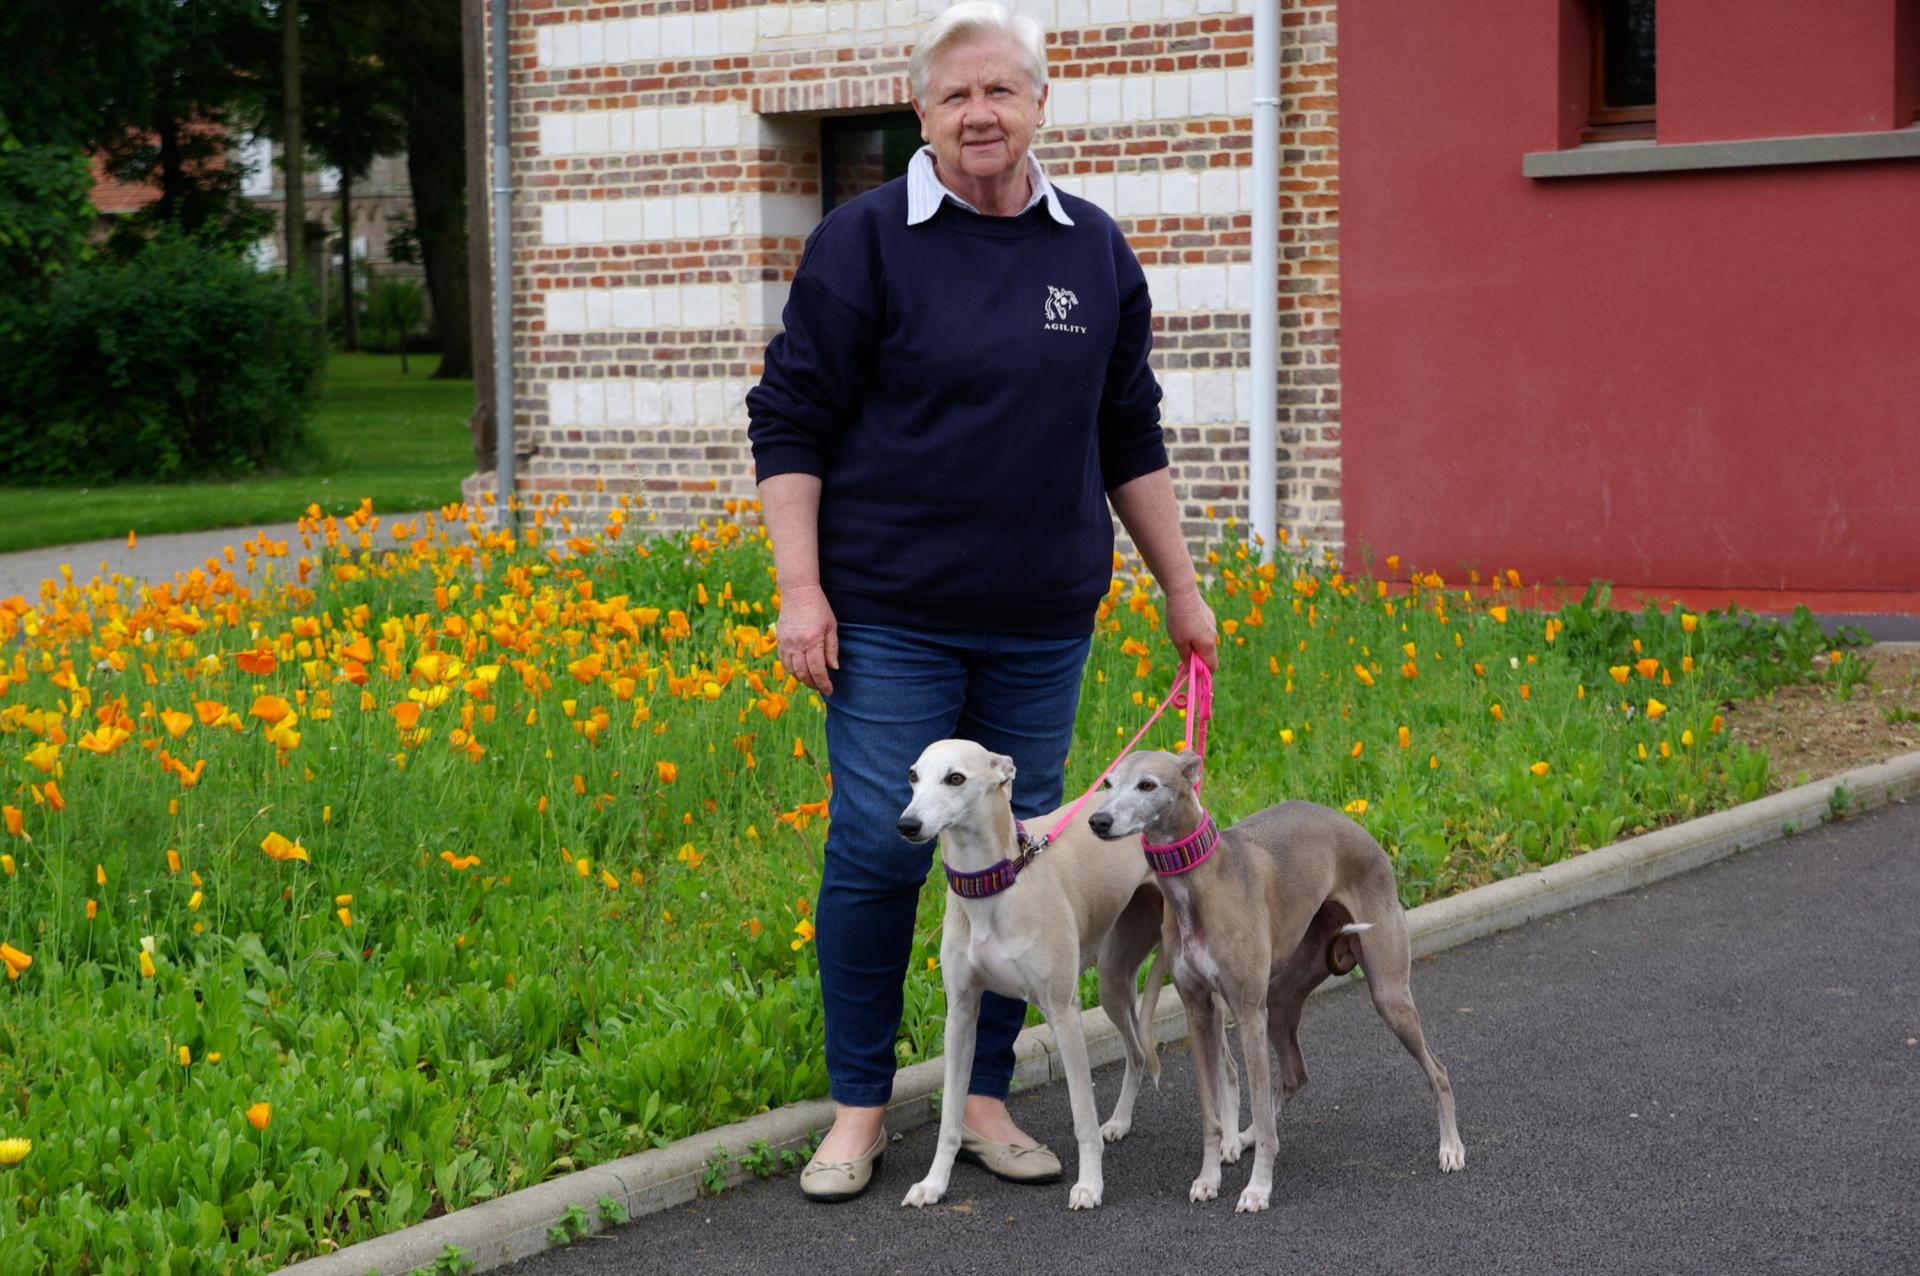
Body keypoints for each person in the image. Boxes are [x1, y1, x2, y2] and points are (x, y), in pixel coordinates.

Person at [745, 0, 1217, 1203]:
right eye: (955, 94)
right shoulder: (865, 242)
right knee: (873, 842)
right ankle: (859, 1107)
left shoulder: (1093, 251)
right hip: (890, 611)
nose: (980, 112)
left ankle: (989, 1095)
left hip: (1041, 616)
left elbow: (1128, 430)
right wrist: (802, 591)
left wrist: (1182, 589)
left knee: (1016, 862)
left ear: (1040, 103)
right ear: (921, 111)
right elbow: (789, 417)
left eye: (1001, 89)